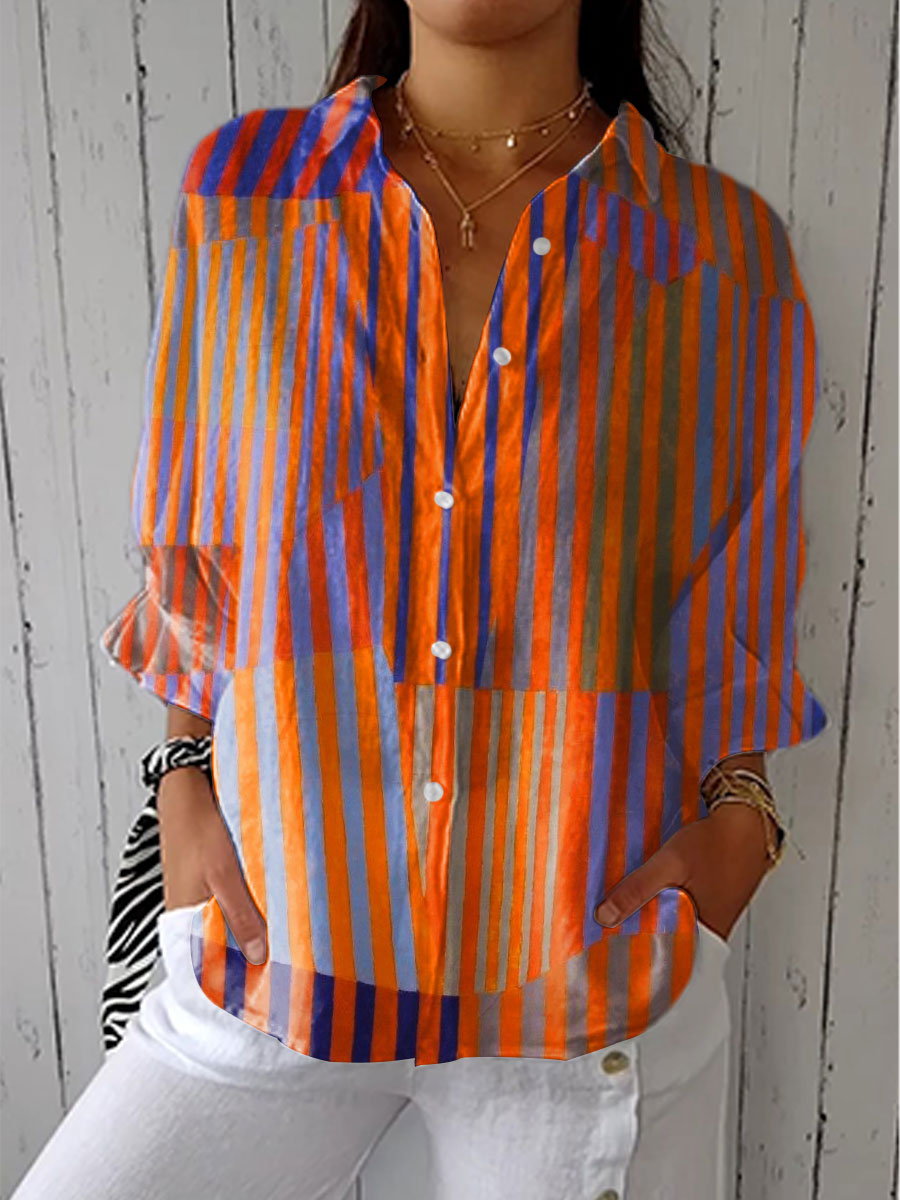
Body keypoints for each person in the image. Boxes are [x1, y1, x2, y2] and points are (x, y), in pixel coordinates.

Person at [13, 0, 828, 1196]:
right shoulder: (251, 201)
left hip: (577, 988)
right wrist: (182, 777)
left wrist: (740, 823)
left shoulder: (713, 250)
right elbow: (199, 557)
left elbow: (731, 610)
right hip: (274, 951)